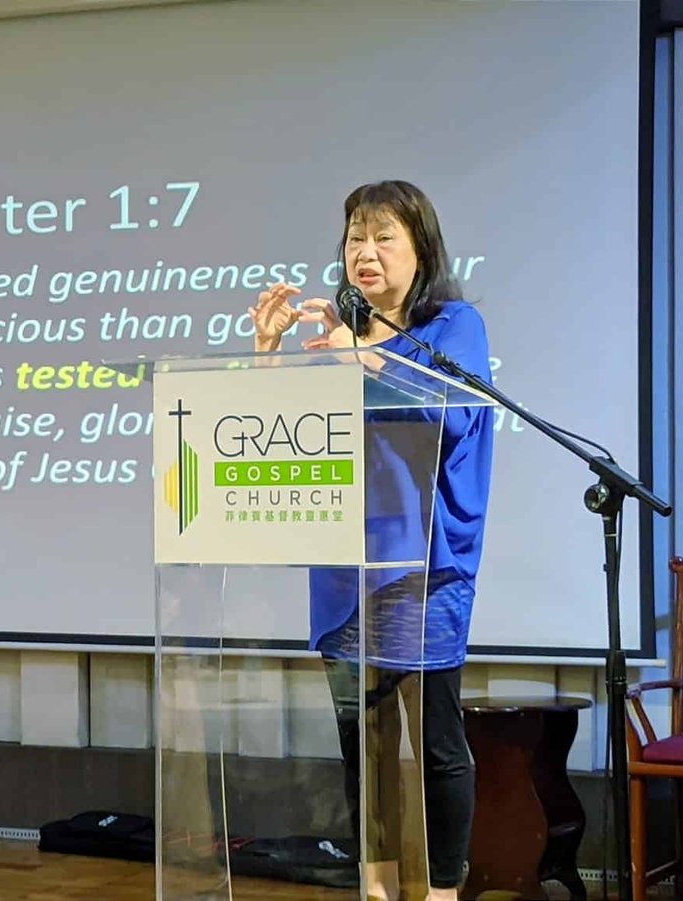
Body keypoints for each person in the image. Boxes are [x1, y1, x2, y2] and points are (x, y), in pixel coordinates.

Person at [248, 179, 495, 901]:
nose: (365, 251)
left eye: (384, 236)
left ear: (421, 248)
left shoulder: (452, 326)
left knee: (435, 743)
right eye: (356, 236)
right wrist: (269, 356)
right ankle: (377, 887)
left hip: (423, 564)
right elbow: (279, 441)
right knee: (366, 745)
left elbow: (448, 415)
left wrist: (360, 353)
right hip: (343, 562)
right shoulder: (336, 338)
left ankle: (443, 891)